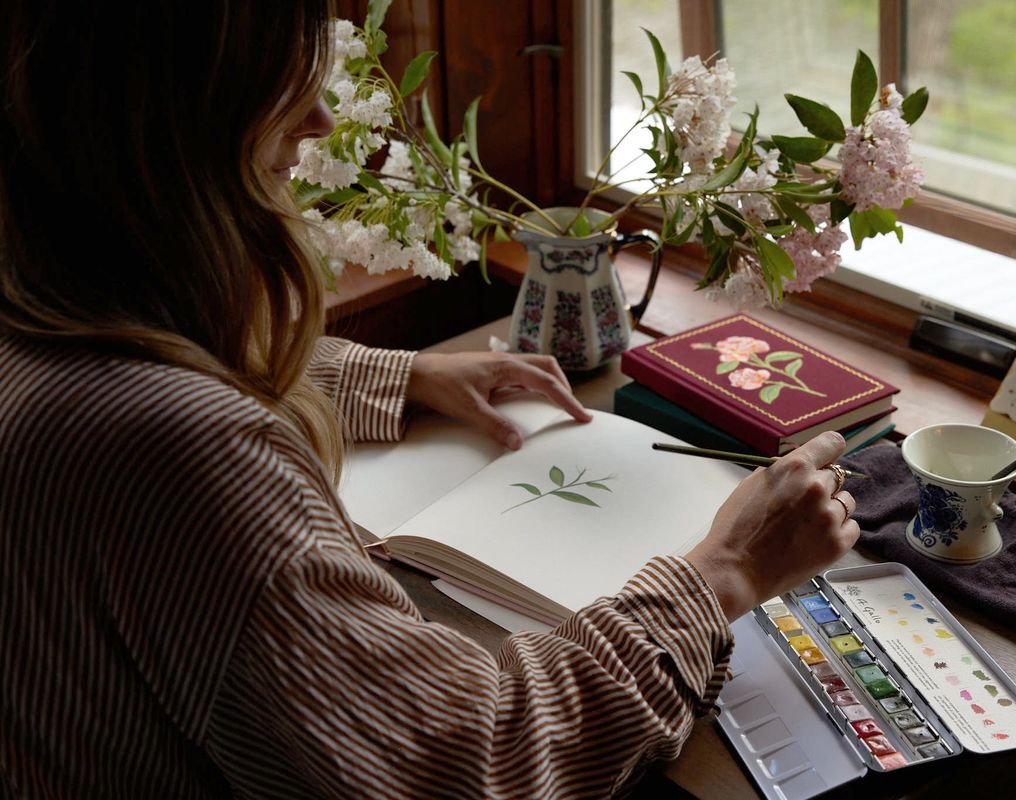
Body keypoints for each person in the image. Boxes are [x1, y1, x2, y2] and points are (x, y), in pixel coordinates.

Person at [0, 2, 860, 797]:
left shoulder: (43, 299)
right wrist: (722, 574)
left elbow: (143, 360)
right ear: (165, 128)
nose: (321, 123)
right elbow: (476, 761)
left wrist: (394, 377)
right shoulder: (183, 449)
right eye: (272, 88)